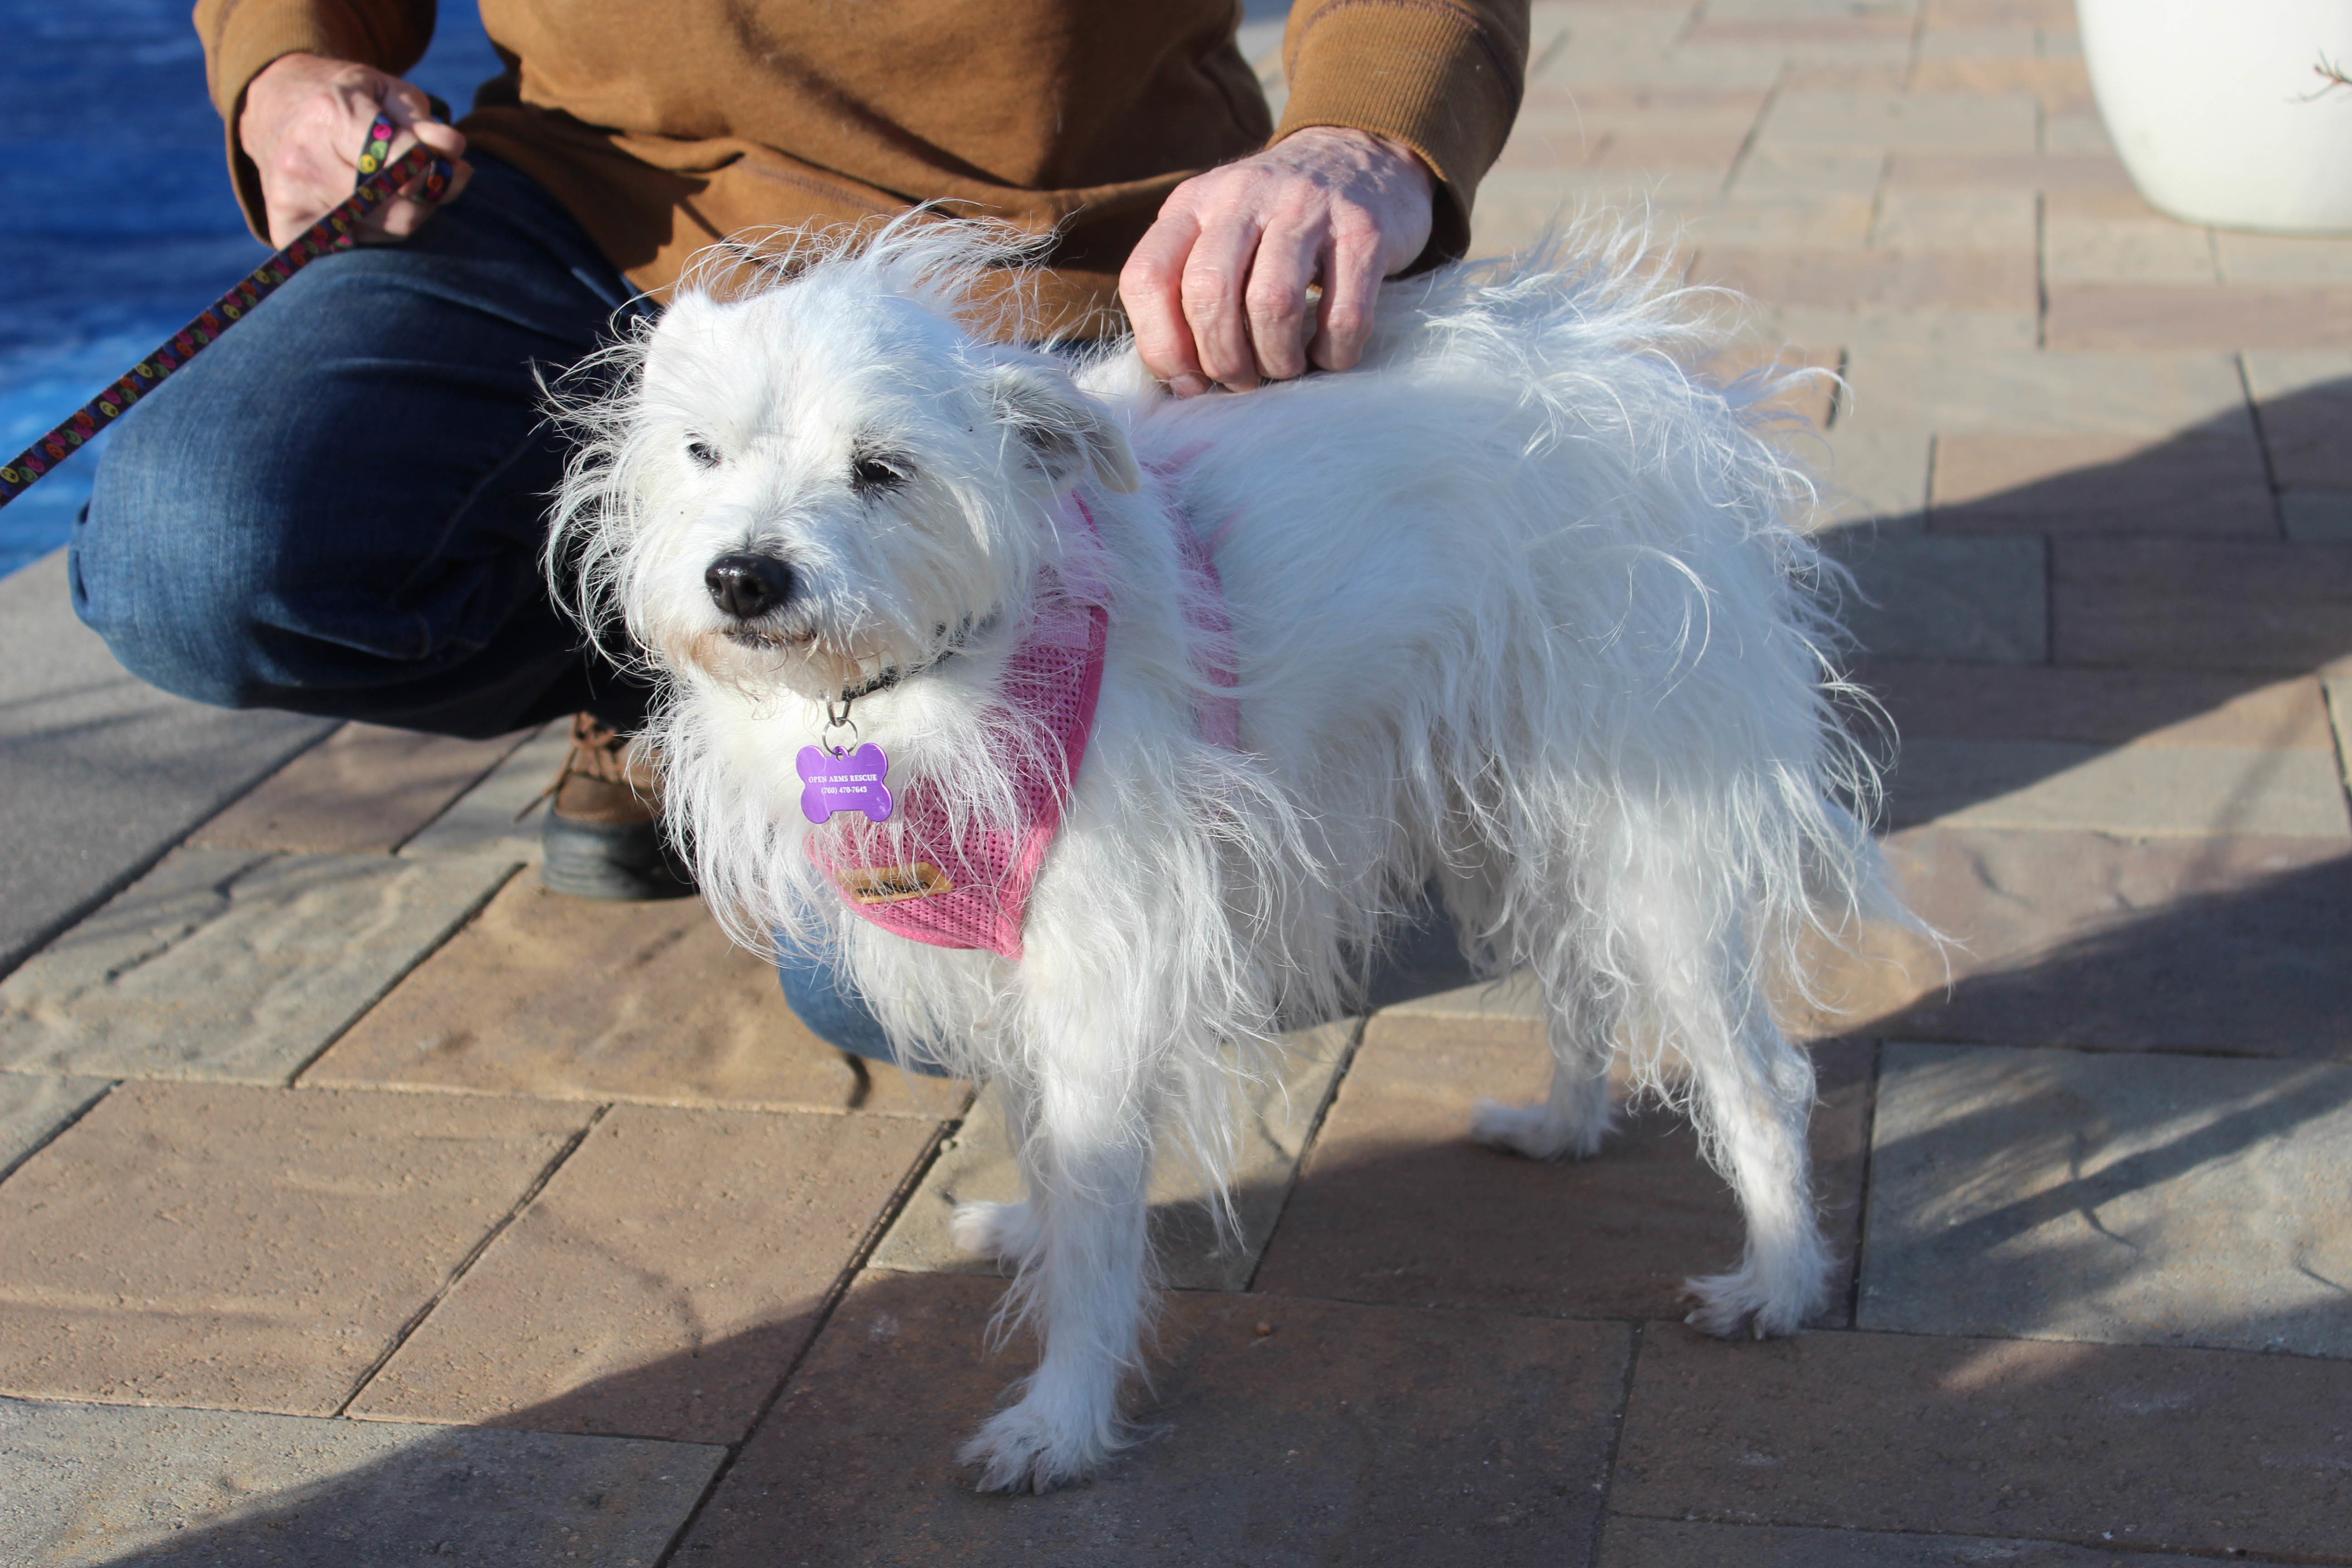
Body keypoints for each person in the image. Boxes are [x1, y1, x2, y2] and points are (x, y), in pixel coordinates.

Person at [73, 0, 1527, 1051]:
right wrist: (287, 62)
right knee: (192, 552)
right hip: (593, 198)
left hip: (1023, 258)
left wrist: (1365, 132)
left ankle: (1503, 788)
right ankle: (672, 684)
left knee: (899, 986)